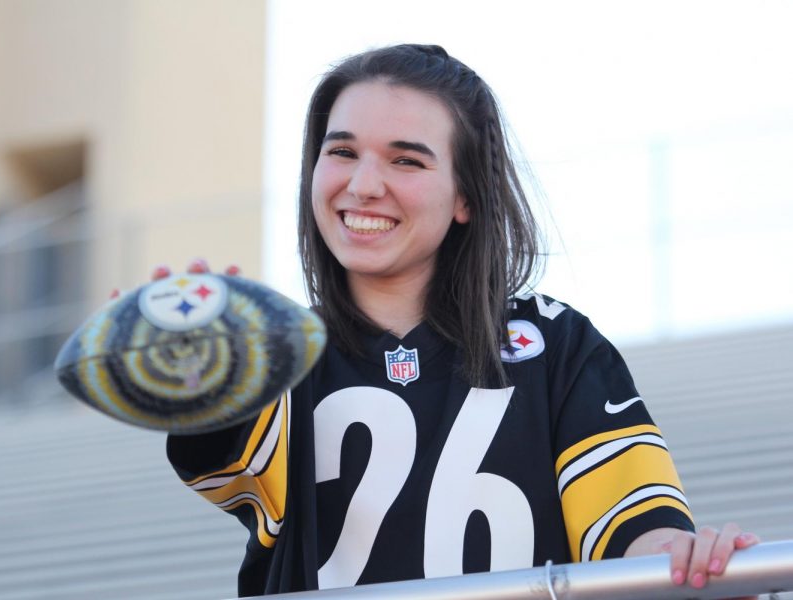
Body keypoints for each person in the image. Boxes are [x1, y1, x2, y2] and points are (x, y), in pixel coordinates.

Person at [161, 44, 758, 596]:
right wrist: (195, 360)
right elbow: (219, 453)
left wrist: (686, 558)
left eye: (407, 161)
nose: (364, 185)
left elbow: (632, 528)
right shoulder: (280, 352)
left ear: (467, 195)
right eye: (341, 151)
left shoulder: (558, 344)